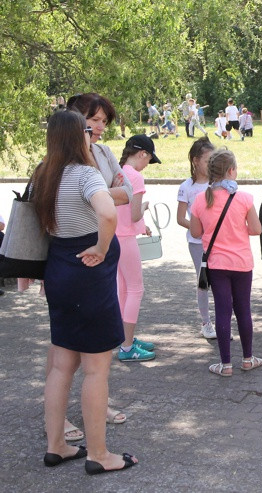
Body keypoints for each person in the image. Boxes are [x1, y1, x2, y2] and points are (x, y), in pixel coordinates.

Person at [35, 110, 137, 474]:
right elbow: (108, 212)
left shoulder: (43, 174)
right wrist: (101, 246)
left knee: (61, 365)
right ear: (77, 135)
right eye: (87, 129)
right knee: (96, 369)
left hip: (58, 272)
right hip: (88, 278)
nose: (92, 133)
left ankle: (56, 445)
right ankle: (99, 455)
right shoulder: (84, 174)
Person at [63, 92, 132, 433]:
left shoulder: (103, 152)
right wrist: (105, 191)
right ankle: (61, 417)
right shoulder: (65, 157)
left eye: (105, 121)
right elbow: (108, 201)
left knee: (94, 350)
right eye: (95, 120)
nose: (101, 127)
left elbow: (128, 191)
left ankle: (95, 405)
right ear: (76, 118)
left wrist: (104, 191)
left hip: (99, 256)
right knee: (66, 350)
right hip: (80, 255)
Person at [190, 149, 262, 376]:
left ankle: (225, 364)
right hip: (241, 263)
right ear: (231, 171)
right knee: (243, 310)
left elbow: (195, 231)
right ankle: (248, 358)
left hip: (217, 264)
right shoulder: (243, 198)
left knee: (222, 310)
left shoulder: (201, 199)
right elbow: (256, 229)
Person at [115, 135, 161, 362]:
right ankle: (126, 347)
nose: (147, 165)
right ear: (142, 154)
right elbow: (133, 214)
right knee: (135, 289)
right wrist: (143, 207)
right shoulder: (136, 177)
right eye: (148, 160)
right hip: (126, 239)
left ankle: (126, 340)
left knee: (122, 289)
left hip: (113, 237)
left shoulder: (117, 171)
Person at [178, 137, 217, 339]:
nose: (210, 165)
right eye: (207, 160)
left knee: (220, 281)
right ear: (195, 161)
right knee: (204, 281)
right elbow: (180, 218)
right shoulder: (187, 187)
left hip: (218, 242)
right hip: (197, 243)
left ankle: (222, 322)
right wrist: (197, 229)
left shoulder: (217, 185)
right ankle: (206, 322)